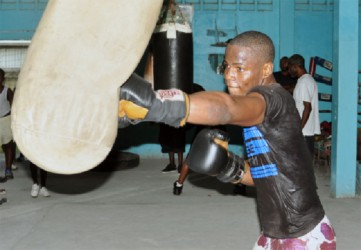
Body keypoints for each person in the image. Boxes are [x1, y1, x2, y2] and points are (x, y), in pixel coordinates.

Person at [118, 30, 336, 249]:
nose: (229, 75)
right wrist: (229, 167)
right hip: (274, 233)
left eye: (240, 68)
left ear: (266, 69)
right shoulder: (260, 110)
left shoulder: (272, 99)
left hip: (304, 236)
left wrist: (156, 104)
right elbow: (267, 174)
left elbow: (227, 109)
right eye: (227, 66)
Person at [288, 54, 321, 157]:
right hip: (307, 131)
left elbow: (307, 108)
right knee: (305, 165)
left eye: (289, 68)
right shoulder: (308, 80)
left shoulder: (304, 82)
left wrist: (299, 129)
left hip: (304, 132)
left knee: (303, 164)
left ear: (294, 66)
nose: (289, 71)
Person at [0, 68, 15, 180]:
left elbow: (14, 106)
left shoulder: (7, 91)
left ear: (3, 79)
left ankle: (8, 169)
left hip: (6, 119)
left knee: (8, 145)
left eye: (0, 77)